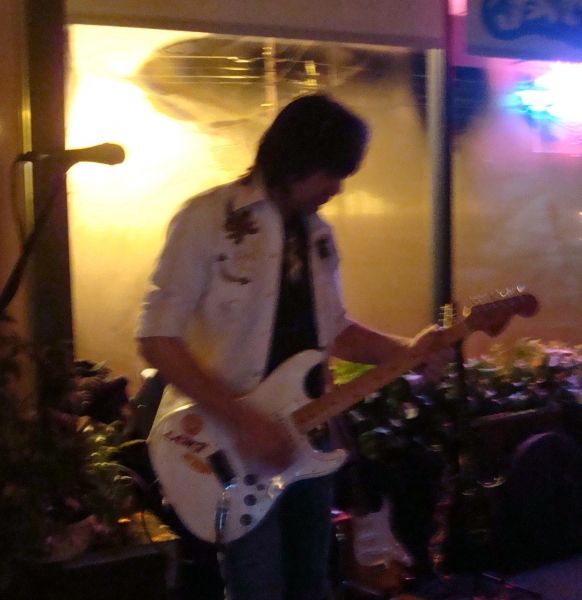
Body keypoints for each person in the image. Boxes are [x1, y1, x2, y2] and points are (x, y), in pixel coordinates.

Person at [136, 93, 447, 600]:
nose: (337, 187)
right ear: (296, 159)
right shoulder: (207, 219)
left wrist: (407, 350)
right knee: (258, 588)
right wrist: (244, 420)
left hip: (308, 438)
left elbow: (334, 331)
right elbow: (156, 338)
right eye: (331, 172)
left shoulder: (319, 236)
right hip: (228, 443)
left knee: (312, 585)